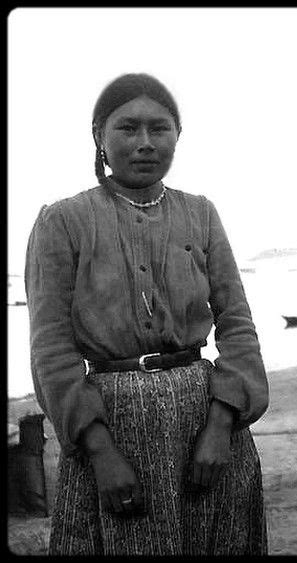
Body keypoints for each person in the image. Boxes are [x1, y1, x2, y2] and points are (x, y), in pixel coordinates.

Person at [25, 73, 269, 555]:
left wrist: (221, 426)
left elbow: (238, 324)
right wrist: (100, 451)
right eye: (128, 128)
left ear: (178, 135)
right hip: (111, 426)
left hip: (207, 426)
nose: (144, 143)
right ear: (99, 135)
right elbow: (50, 347)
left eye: (159, 129)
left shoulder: (200, 213)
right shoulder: (63, 221)